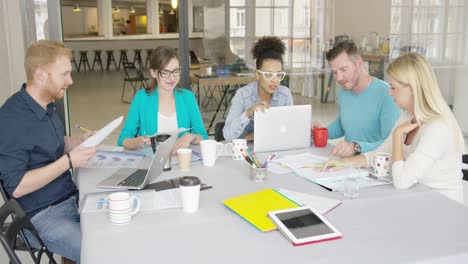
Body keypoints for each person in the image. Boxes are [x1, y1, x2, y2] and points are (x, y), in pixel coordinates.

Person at [0, 40, 97, 263]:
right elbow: (17, 186)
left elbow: (51, 145)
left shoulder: (47, 105)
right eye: (64, 74)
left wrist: (79, 141)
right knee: (103, 252)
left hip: (70, 198)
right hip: (43, 215)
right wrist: (68, 161)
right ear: (41, 75)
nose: (70, 81)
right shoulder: (10, 120)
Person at [323, 53, 465, 204]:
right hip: (416, 198)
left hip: (442, 206)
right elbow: (381, 154)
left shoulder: (438, 128)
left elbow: (402, 181)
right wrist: (345, 163)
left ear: (412, 88)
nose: (389, 93)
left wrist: (397, 136)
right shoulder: (407, 116)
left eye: (393, 87)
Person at [314, 40, 400, 157]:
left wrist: (356, 147)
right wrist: (322, 131)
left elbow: (391, 144)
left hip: (374, 165)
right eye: (334, 72)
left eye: (344, 70)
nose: (339, 78)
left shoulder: (388, 94)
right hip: (349, 163)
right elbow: (344, 124)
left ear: (359, 64)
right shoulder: (344, 92)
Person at [118, 46, 208, 152]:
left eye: (175, 71)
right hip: (150, 161)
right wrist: (137, 142)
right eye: (165, 72)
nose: (172, 78)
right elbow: (122, 140)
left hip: (181, 160)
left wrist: (190, 137)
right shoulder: (141, 98)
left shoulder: (188, 98)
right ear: (153, 72)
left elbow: (203, 136)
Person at [223, 36, 293, 141]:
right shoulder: (243, 95)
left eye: (278, 75)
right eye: (268, 75)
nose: (275, 80)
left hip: (275, 151)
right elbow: (227, 135)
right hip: (246, 153)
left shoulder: (285, 94)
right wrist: (248, 113)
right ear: (258, 74)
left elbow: (290, 130)